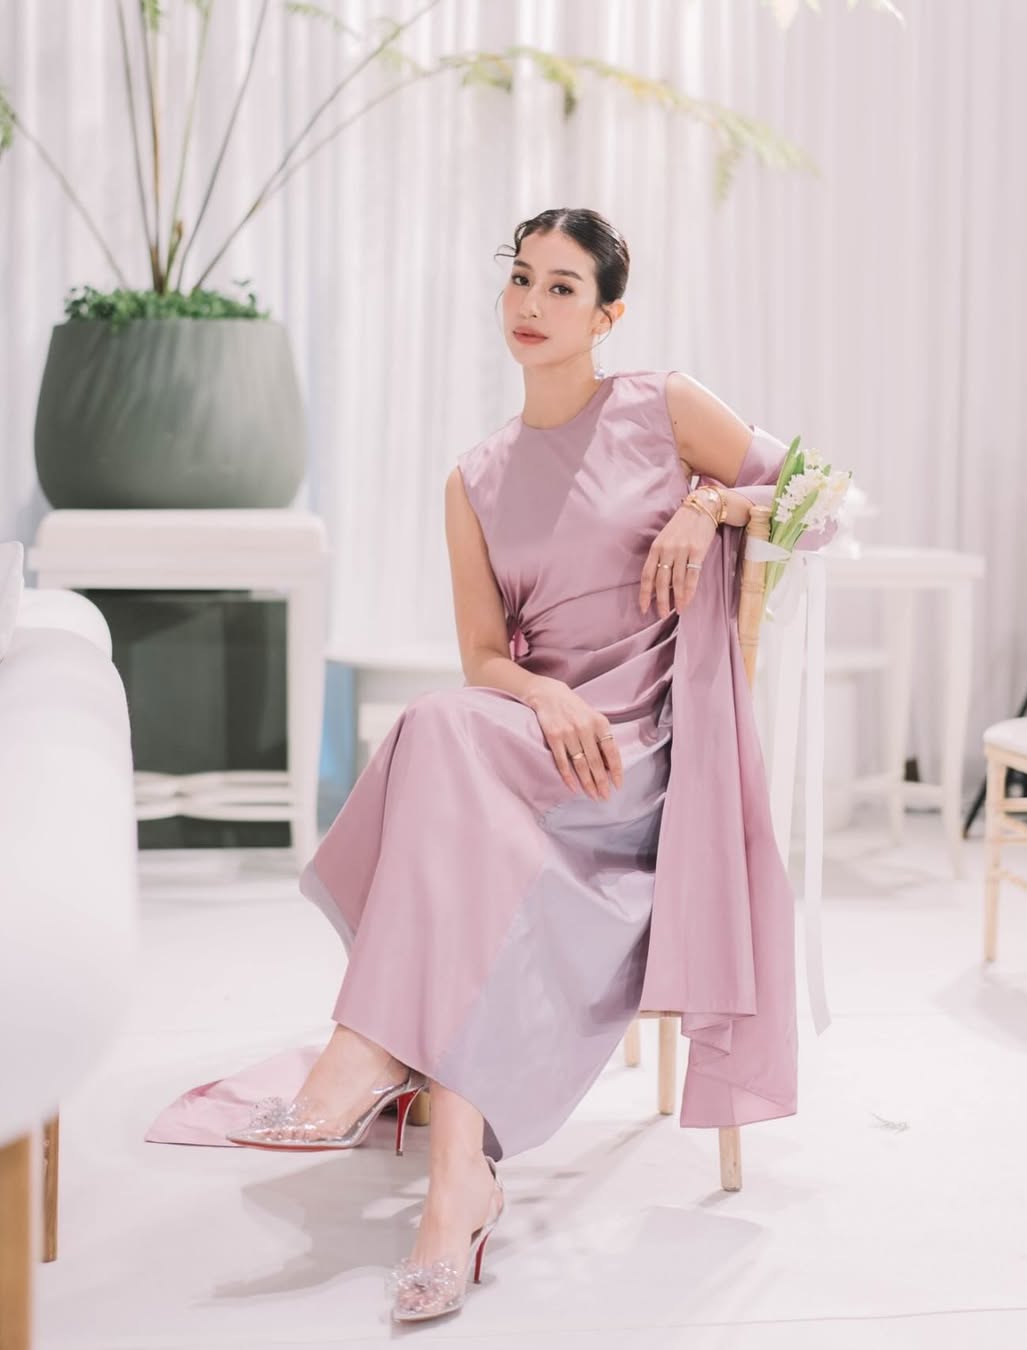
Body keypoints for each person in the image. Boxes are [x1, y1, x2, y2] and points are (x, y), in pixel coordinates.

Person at [146, 206, 814, 1324]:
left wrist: (710, 504)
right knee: (449, 739)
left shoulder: (661, 406)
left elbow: (815, 496)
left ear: (607, 315)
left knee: (437, 742)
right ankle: (456, 1187)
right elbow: (485, 659)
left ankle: (367, 1054)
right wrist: (545, 693)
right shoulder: (474, 479)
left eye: (562, 287)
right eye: (521, 278)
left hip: (644, 763)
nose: (532, 304)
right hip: (539, 741)